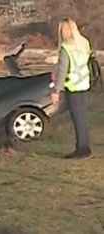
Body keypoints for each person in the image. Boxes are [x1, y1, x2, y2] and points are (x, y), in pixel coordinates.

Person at [52, 18, 92, 159]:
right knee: (82, 116)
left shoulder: (66, 48)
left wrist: (56, 90)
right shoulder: (84, 43)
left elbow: (63, 71)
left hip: (73, 86)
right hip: (84, 83)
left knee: (78, 117)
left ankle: (82, 148)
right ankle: (84, 146)